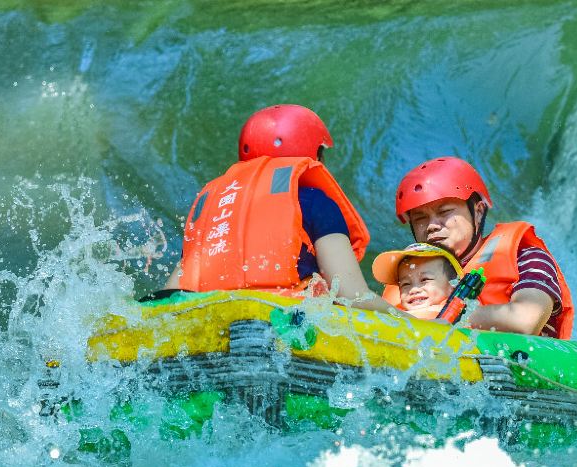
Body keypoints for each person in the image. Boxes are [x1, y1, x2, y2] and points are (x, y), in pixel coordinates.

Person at [164, 104, 401, 315]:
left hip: (212, 318)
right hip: (283, 321)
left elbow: (172, 295)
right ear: (315, 155)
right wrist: (409, 321)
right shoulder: (316, 203)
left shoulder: (216, 209)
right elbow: (351, 295)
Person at [387, 157, 574, 338]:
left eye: (444, 212)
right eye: (420, 218)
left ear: (478, 212)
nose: (432, 225)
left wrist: (442, 317)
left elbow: (525, 320)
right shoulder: (408, 276)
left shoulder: (526, 258)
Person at [371, 243, 463, 319]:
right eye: (405, 284)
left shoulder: (460, 316)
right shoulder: (395, 315)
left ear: (453, 285)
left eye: (424, 279)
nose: (414, 290)